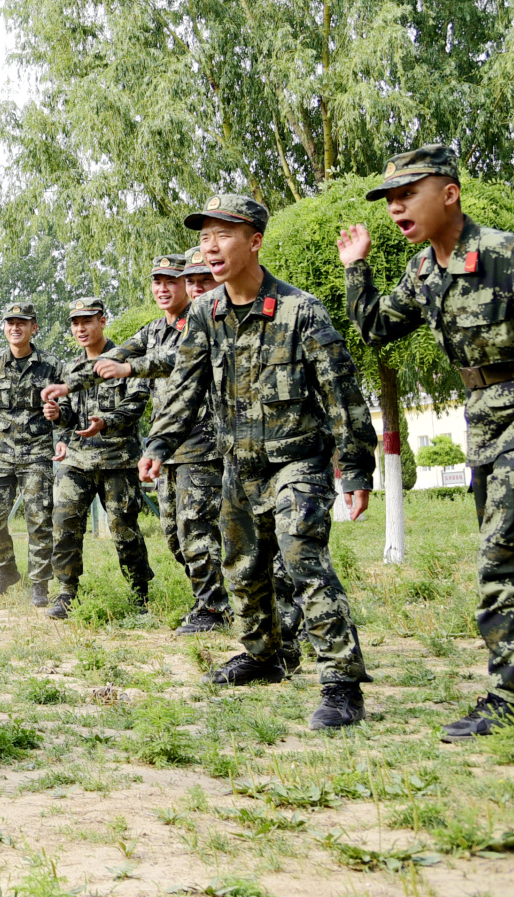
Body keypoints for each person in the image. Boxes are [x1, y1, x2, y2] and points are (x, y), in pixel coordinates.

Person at [342, 144, 514, 738]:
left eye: (408, 195)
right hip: (485, 425)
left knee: (505, 556)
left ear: (449, 193)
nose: (396, 208)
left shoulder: (507, 254)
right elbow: (377, 325)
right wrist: (357, 265)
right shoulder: (423, 270)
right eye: (390, 201)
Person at [131, 192, 376, 730]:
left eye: (223, 235)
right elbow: (184, 388)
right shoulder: (205, 312)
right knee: (242, 569)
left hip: (297, 463)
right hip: (236, 467)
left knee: (301, 557)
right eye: (204, 237)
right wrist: (157, 446)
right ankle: (266, 656)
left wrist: (356, 467)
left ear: (255, 241)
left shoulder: (299, 310)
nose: (211, 247)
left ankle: (341, 683)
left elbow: (342, 394)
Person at [57, 255, 228, 634]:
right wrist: (69, 385)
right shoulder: (152, 331)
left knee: (195, 529)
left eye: (173, 280)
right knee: (174, 533)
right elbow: (119, 354)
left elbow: (174, 360)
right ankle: (209, 599)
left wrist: (128, 371)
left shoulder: (201, 325)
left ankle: (215, 607)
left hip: (203, 442)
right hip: (166, 448)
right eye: (157, 281)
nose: (163, 288)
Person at [40, 298, 152, 620]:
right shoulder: (71, 370)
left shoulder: (127, 360)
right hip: (77, 459)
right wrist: (57, 415)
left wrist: (106, 421)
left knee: (123, 527)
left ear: (103, 321)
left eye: (87, 321)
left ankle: (139, 594)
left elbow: (137, 404)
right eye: (75, 323)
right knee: (64, 523)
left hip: (118, 459)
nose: (80, 328)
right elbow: (69, 417)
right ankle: (67, 593)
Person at [0, 304, 62, 606]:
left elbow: (69, 406)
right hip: (0, 451)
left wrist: (63, 431)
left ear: (34, 327)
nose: (15, 328)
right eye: (10, 323)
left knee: (39, 518)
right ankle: (6, 570)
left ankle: (40, 584)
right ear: (4, 328)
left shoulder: (52, 366)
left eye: (22, 323)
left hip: (38, 451)